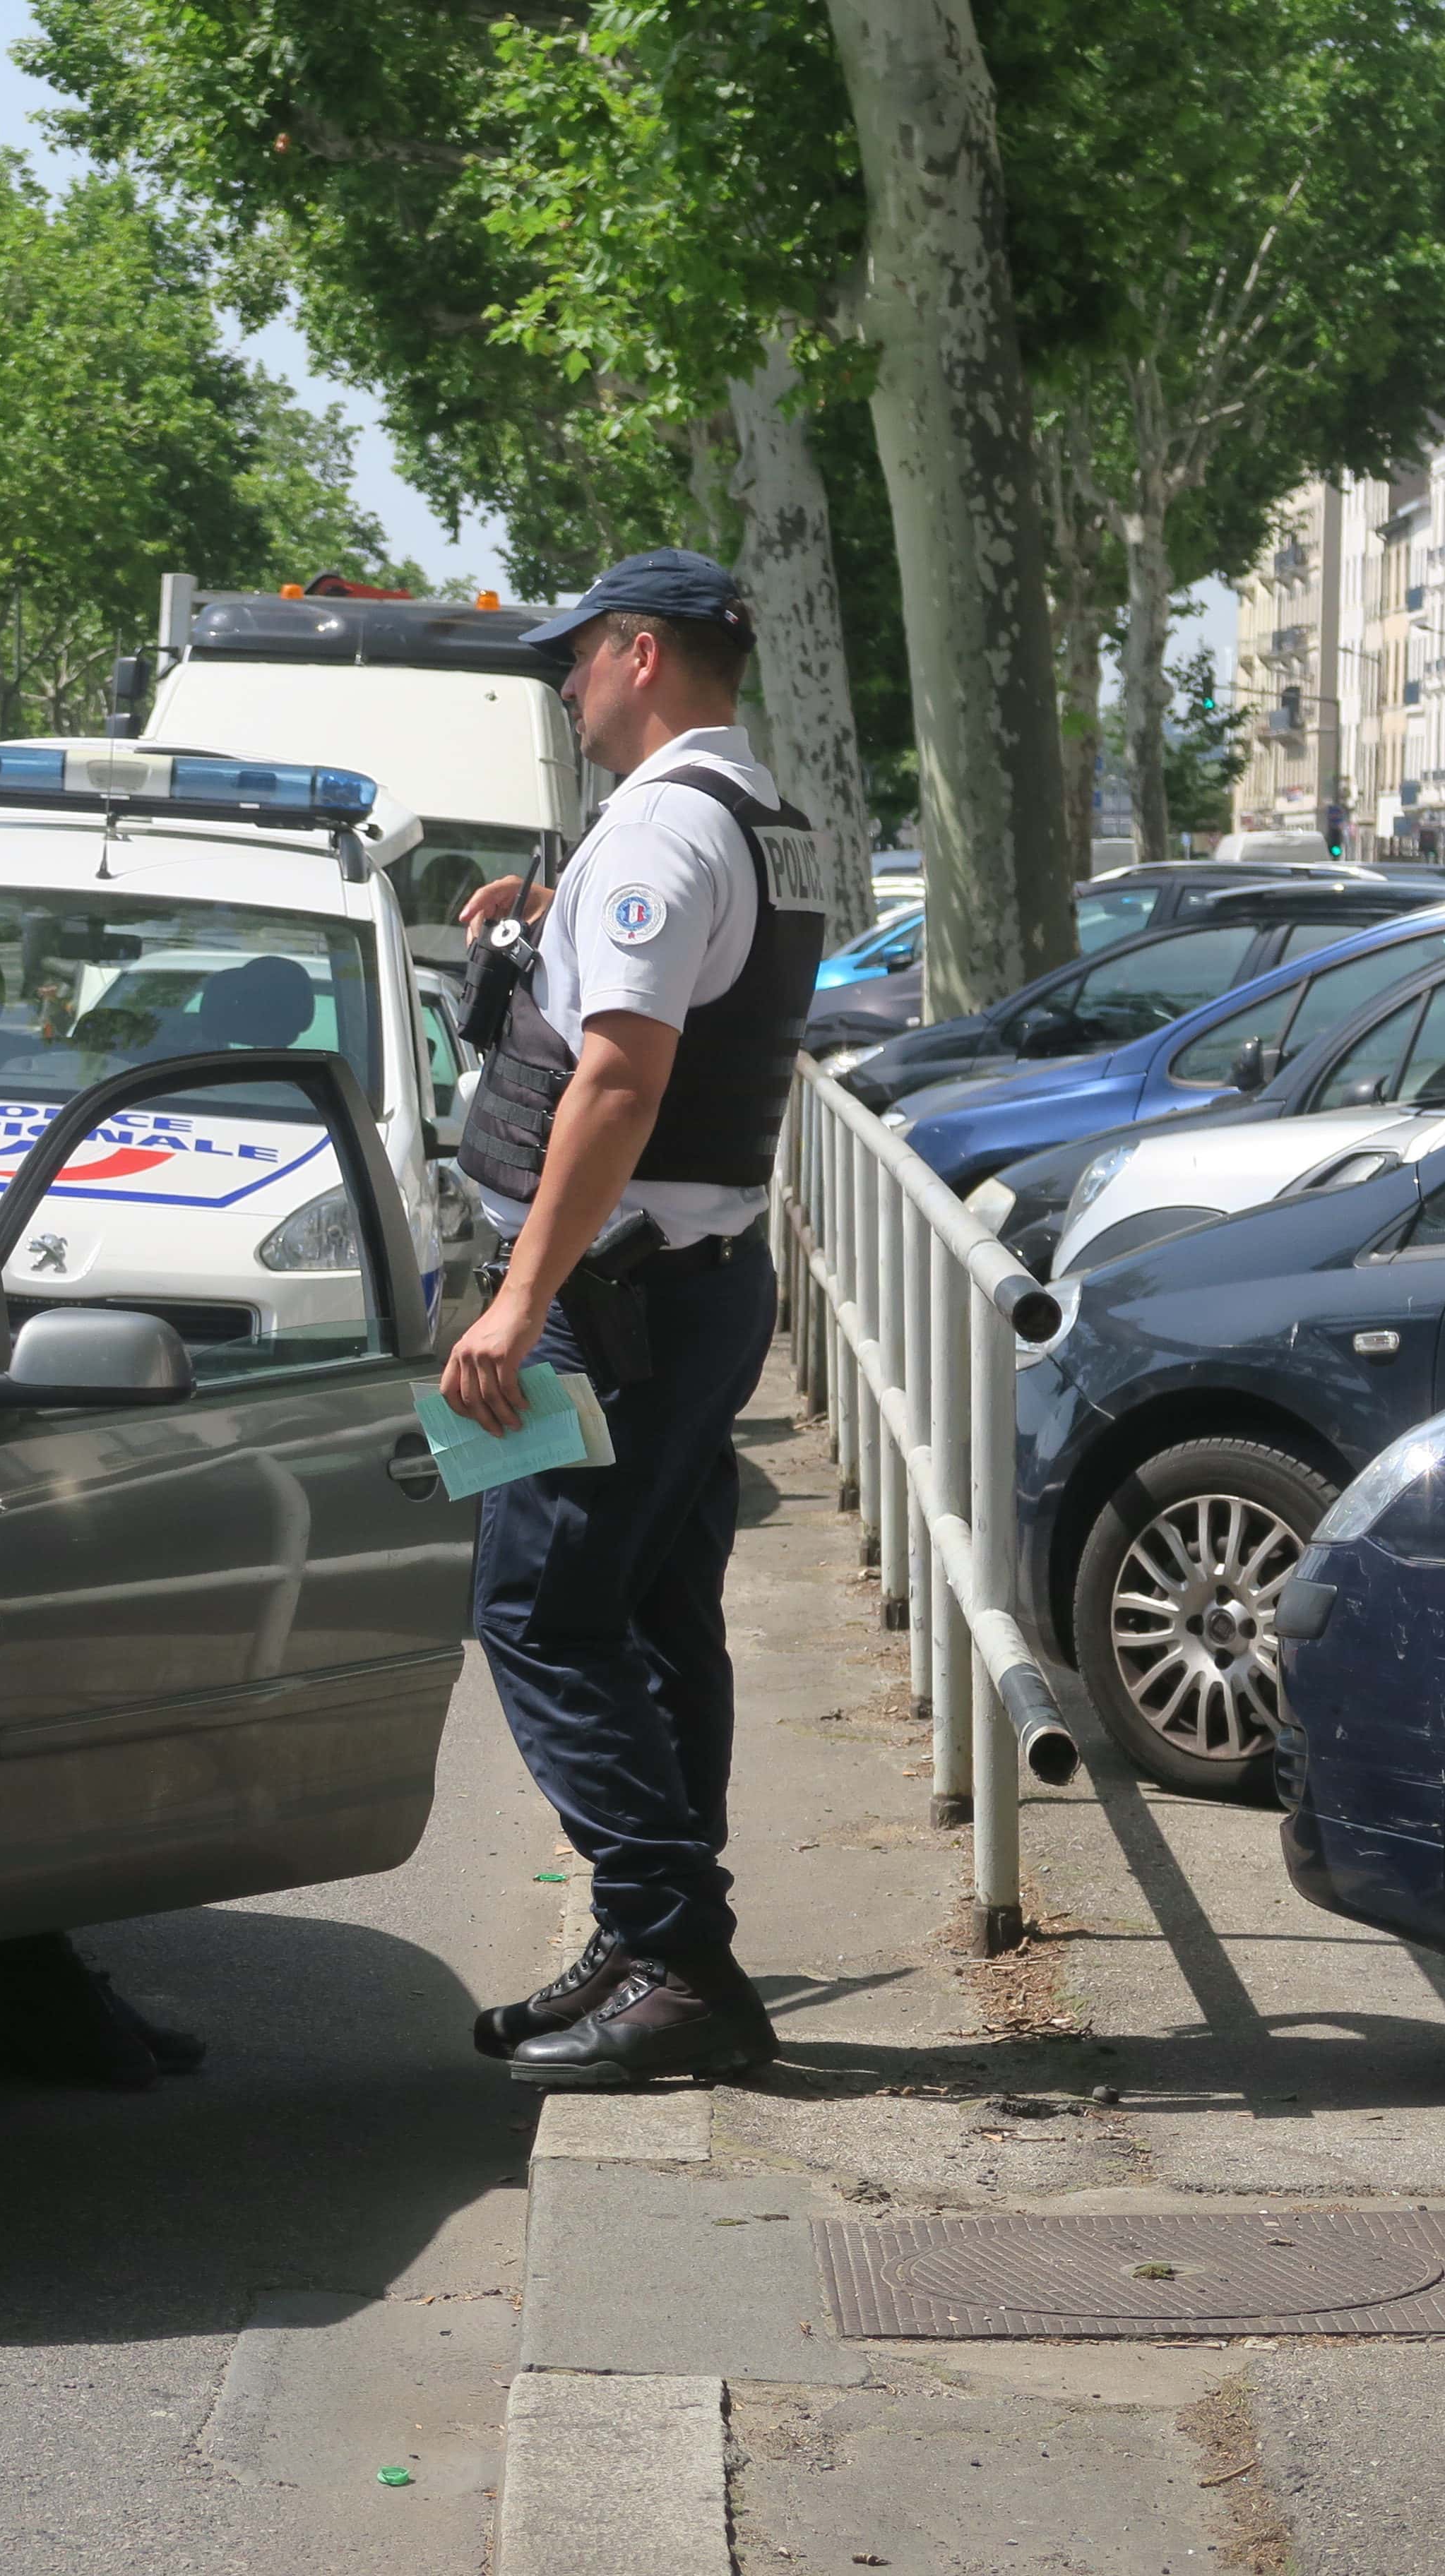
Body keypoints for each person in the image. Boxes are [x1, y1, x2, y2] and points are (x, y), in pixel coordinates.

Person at [443, 547, 826, 2089]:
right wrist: (540, 933)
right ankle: (653, 1937)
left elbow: (623, 1077)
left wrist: (518, 1295)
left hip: (606, 1308)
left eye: (576, 658)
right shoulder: (761, 818)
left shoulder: (668, 823)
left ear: (643, 655)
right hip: (696, 1291)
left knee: (534, 1611)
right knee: (659, 1617)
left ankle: (673, 1951)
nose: (564, 687)